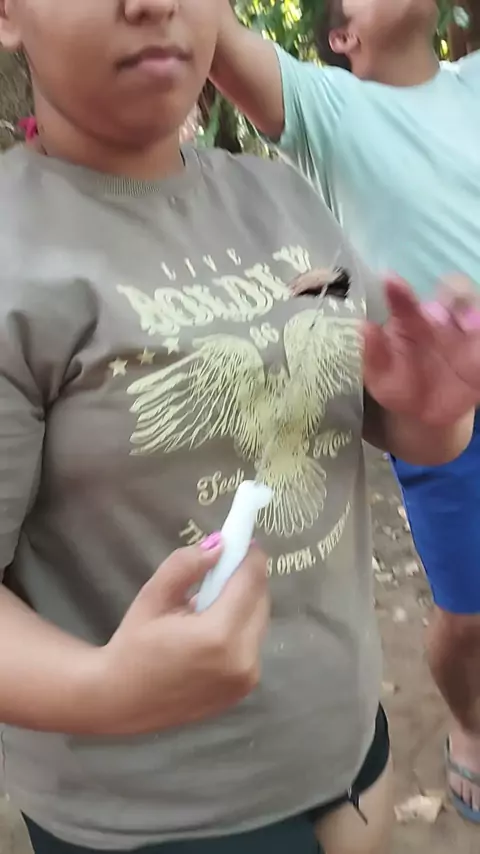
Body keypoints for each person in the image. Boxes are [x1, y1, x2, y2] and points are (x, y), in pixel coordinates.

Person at [1, 3, 480, 854]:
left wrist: (434, 407)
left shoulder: (279, 196)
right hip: (153, 818)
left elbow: (391, 425)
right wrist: (104, 688)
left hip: (344, 750)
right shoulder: (17, 253)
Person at [211, 0, 480, 823]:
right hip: (438, 409)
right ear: (343, 37)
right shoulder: (325, 105)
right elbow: (210, 31)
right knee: (470, 615)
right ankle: (473, 729)